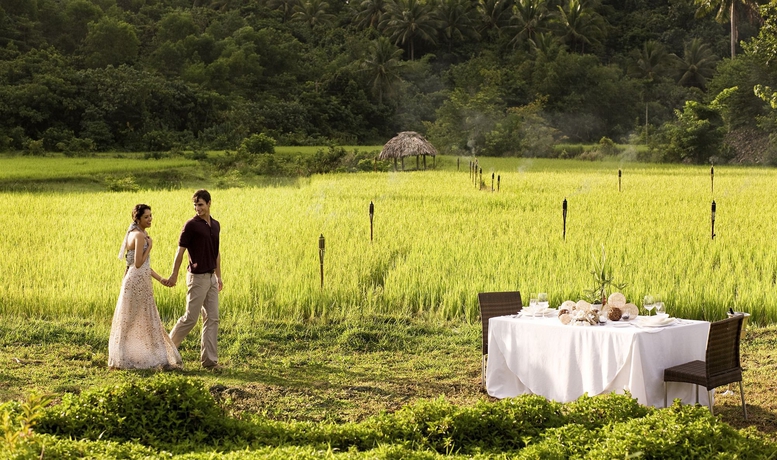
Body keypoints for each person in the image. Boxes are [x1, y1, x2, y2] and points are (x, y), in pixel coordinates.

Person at [109, 204, 183, 370]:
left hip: (137, 279)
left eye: (150, 216)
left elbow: (143, 266)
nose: (150, 219)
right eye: (146, 217)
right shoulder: (139, 236)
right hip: (137, 281)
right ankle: (135, 357)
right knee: (138, 318)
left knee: (134, 318)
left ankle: (129, 355)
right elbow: (138, 263)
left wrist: (160, 279)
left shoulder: (136, 233)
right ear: (138, 219)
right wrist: (149, 247)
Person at [167, 189, 222, 370]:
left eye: (201, 205)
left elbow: (216, 253)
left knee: (212, 318)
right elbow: (180, 251)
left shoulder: (215, 225)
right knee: (190, 318)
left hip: (211, 277)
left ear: (209, 203)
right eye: (195, 205)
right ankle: (165, 353)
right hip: (197, 278)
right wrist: (174, 274)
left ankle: (209, 362)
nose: (198, 208)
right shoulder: (191, 225)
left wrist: (219, 276)